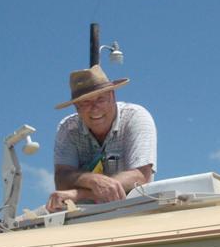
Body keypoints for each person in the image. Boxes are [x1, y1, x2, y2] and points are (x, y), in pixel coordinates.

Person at [47, 65, 156, 212]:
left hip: (134, 211)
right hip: (84, 217)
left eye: (100, 99)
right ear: (76, 107)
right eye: (85, 102)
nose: (95, 108)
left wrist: (80, 193)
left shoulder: (136, 117)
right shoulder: (68, 128)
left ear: (112, 96)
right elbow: (61, 179)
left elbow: (141, 176)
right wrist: (91, 179)